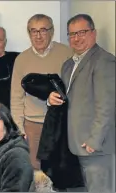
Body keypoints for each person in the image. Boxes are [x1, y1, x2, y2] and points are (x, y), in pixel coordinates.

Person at [48, 14, 115, 192]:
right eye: (72, 34)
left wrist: (95, 139)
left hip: (95, 146)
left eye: (82, 32)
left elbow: (107, 105)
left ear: (94, 33)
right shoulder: (68, 65)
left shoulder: (104, 61)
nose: (76, 38)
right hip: (74, 145)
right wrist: (51, 99)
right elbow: (68, 99)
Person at [10, 14, 73, 170]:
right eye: (33, 31)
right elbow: (16, 97)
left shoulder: (67, 54)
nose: (38, 36)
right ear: (29, 33)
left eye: (43, 30)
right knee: (35, 172)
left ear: (51, 31)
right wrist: (19, 129)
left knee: (60, 171)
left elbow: (73, 89)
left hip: (60, 124)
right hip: (33, 127)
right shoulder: (21, 59)